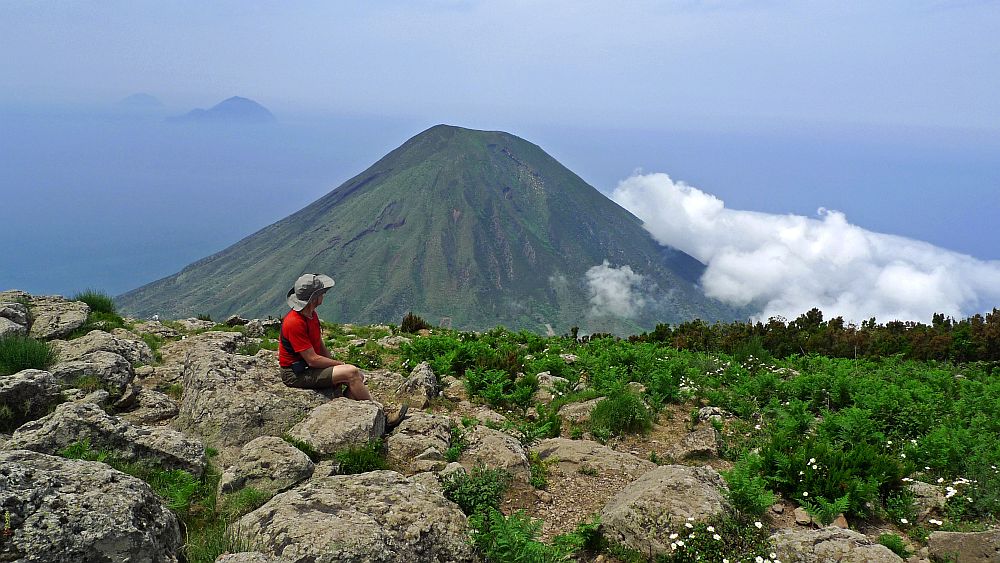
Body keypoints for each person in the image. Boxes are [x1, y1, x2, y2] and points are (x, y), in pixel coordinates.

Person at [278, 273, 407, 427]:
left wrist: (337, 368)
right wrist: (341, 365)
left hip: (306, 368)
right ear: (314, 298)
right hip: (295, 374)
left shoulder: (311, 315)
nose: (324, 295)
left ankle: (346, 407)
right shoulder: (294, 323)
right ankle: (383, 417)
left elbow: (319, 344)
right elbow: (312, 360)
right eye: (322, 293)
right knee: (351, 373)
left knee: (355, 376)